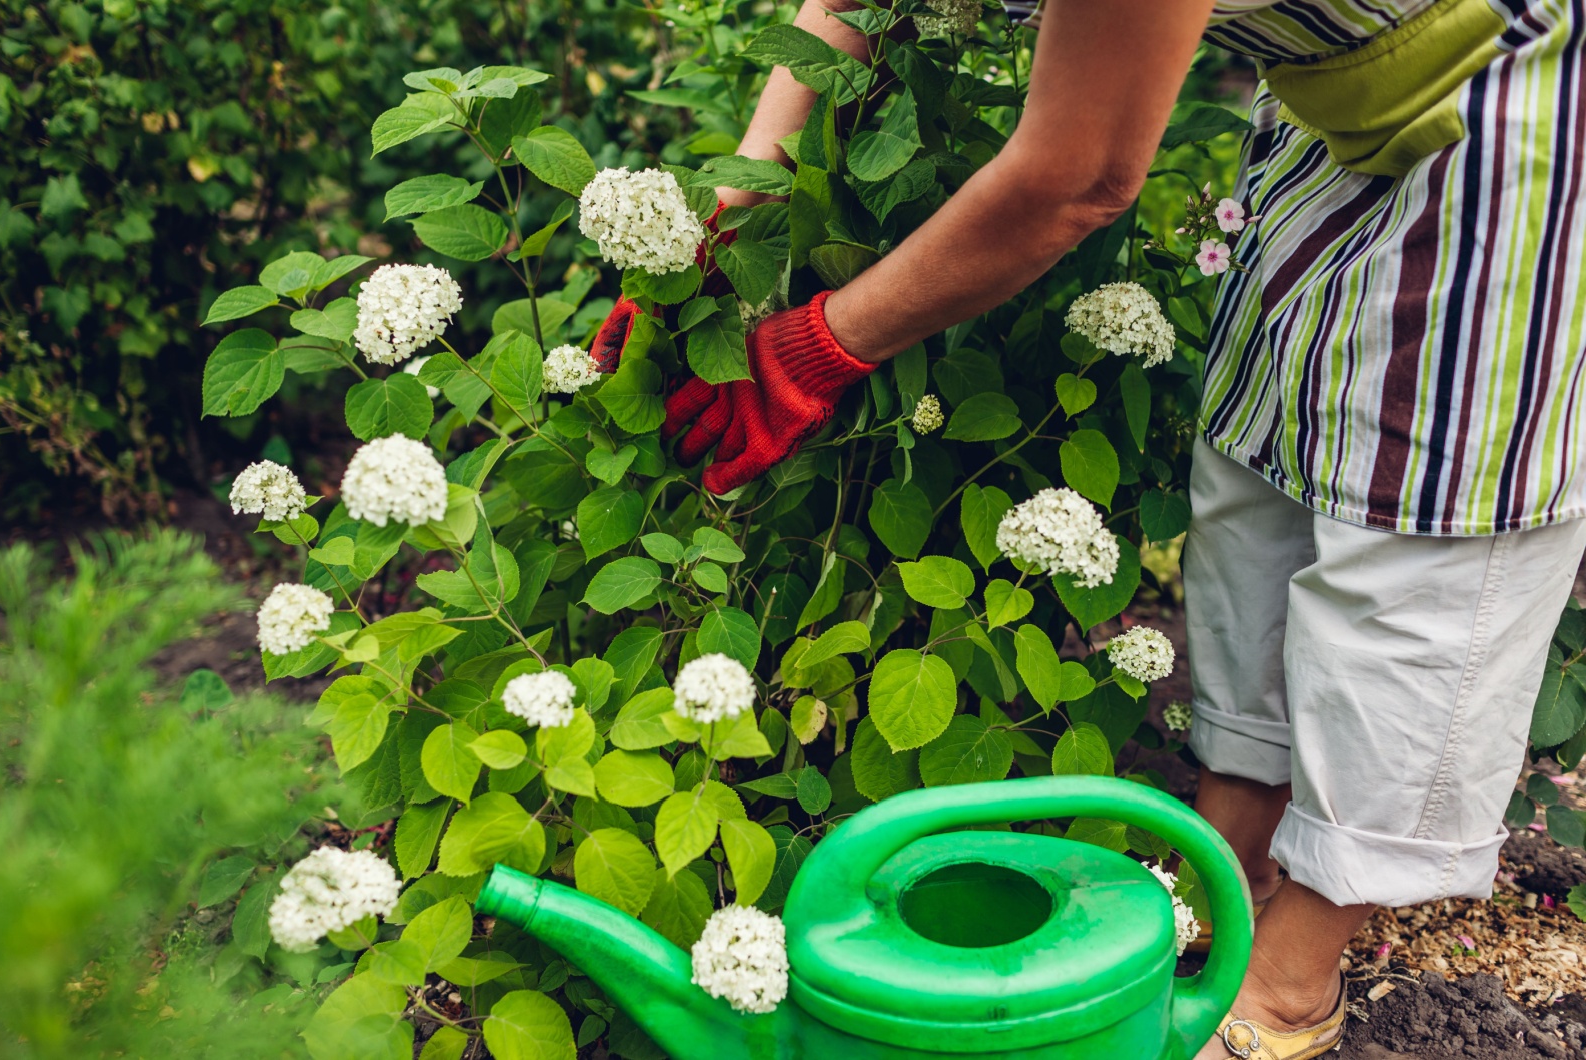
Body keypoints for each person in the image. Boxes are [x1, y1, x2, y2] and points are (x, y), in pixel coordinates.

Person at [595, 1, 1586, 1057]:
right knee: (1261, 468)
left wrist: (823, 347)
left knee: (1423, 521)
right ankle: (1222, 869)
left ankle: (1287, 980)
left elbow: (1078, 175)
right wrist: (725, 215)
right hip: (1333, 98)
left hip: (1524, 102)